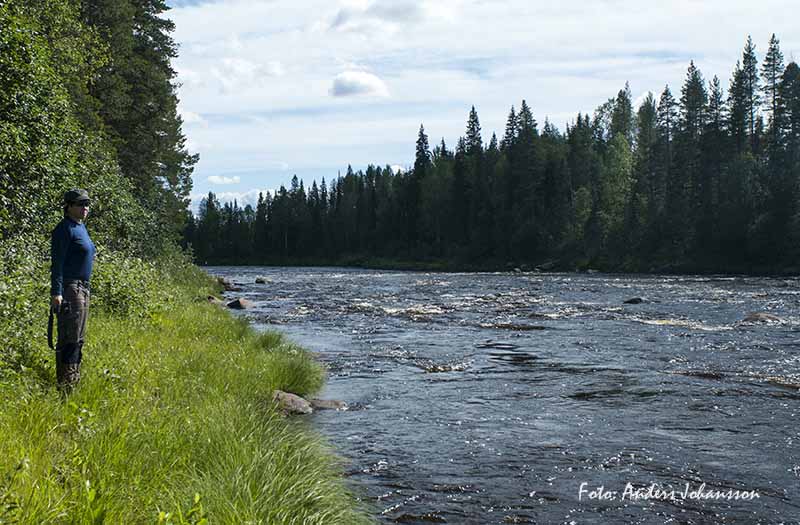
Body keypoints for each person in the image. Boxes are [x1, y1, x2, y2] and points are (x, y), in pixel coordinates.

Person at [50, 189, 96, 391]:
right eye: (80, 204)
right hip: (70, 289)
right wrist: (56, 292)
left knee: (78, 337)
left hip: (83, 289)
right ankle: (65, 385)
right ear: (68, 206)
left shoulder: (80, 227)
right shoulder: (64, 229)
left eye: (87, 204)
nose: (84, 208)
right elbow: (57, 264)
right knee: (70, 337)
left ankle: (73, 379)